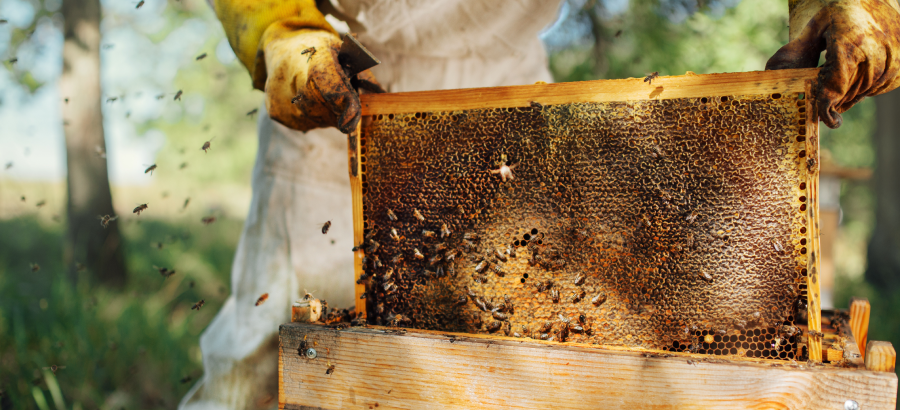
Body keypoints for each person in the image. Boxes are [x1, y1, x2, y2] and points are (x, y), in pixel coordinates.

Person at [180, 1, 900, 408]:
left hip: (511, 88)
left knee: (508, 363)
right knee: (267, 356)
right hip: (342, 86)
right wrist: (278, 27)